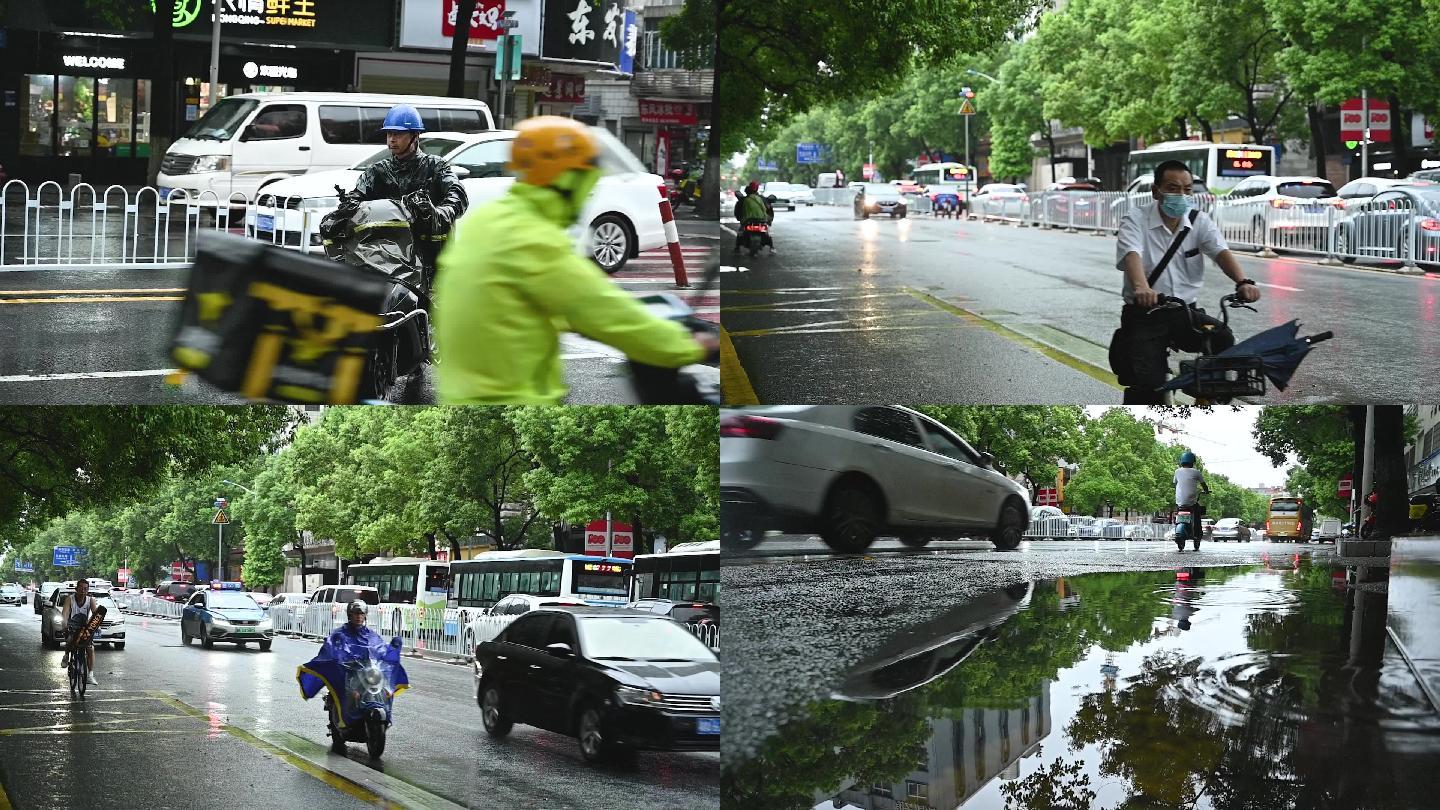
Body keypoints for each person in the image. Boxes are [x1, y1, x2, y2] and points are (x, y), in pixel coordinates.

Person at [434, 116, 715, 405]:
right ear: (568, 180)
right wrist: (690, 345)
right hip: (514, 408)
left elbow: (545, 303)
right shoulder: (533, 239)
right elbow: (605, 313)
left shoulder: (488, 221)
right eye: (586, 180)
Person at [1114, 159, 1262, 403]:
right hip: (1146, 313)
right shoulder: (1136, 219)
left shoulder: (1199, 221)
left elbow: (1220, 251)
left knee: (1222, 338)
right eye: (1172, 188)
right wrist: (1141, 287)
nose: (1181, 195)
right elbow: (1132, 253)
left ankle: (1207, 399)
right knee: (1148, 385)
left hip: (1184, 312)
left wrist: (1243, 281)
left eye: (1187, 189)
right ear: (1156, 191)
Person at [343, 104, 468, 288]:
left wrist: (441, 213)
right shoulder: (378, 171)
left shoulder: (435, 167)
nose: (392, 139)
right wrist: (347, 208)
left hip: (433, 259)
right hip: (391, 259)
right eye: (389, 134)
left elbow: (458, 194)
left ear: (415, 136)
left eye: (398, 134)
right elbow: (357, 197)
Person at [59, 579, 100, 686]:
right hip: (72, 625)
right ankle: (66, 655)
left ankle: (90, 675)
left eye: (85, 588)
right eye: (81, 588)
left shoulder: (90, 600)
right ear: (76, 589)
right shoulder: (69, 599)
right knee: (69, 641)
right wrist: (64, 626)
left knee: (90, 648)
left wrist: (96, 625)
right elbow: (65, 614)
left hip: (84, 627)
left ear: (88, 590)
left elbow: (96, 615)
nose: (83, 590)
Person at [1174, 450, 1210, 537]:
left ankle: (1176, 527)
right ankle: (1197, 533)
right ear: (1192, 462)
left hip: (1179, 502)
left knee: (1177, 513)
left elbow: (1174, 483)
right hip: (1191, 503)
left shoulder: (1177, 471)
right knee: (1197, 514)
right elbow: (1203, 484)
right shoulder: (1196, 472)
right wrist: (1206, 491)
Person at [734, 181, 775, 254]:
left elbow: (738, 211)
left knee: (740, 233)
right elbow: (768, 210)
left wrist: (740, 219)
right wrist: (769, 220)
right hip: (761, 220)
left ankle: (737, 248)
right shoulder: (762, 199)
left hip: (747, 221)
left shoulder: (744, 200)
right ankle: (772, 247)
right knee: (767, 233)